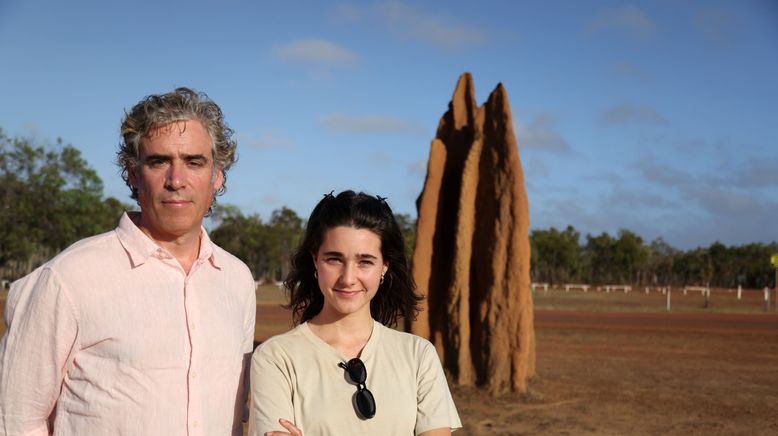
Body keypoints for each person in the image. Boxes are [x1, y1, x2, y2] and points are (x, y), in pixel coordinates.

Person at [0, 87, 256, 435]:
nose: (176, 180)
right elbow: (16, 418)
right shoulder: (67, 278)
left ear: (217, 176)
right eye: (158, 161)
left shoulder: (237, 280)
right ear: (133, 174)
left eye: (194, 162)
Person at [249, 190, 461, 435]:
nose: (348, 278)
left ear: (384, 267)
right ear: (315, 260)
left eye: (365, 261)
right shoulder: (276, 359)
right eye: (334, 259)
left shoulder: (418, 356)